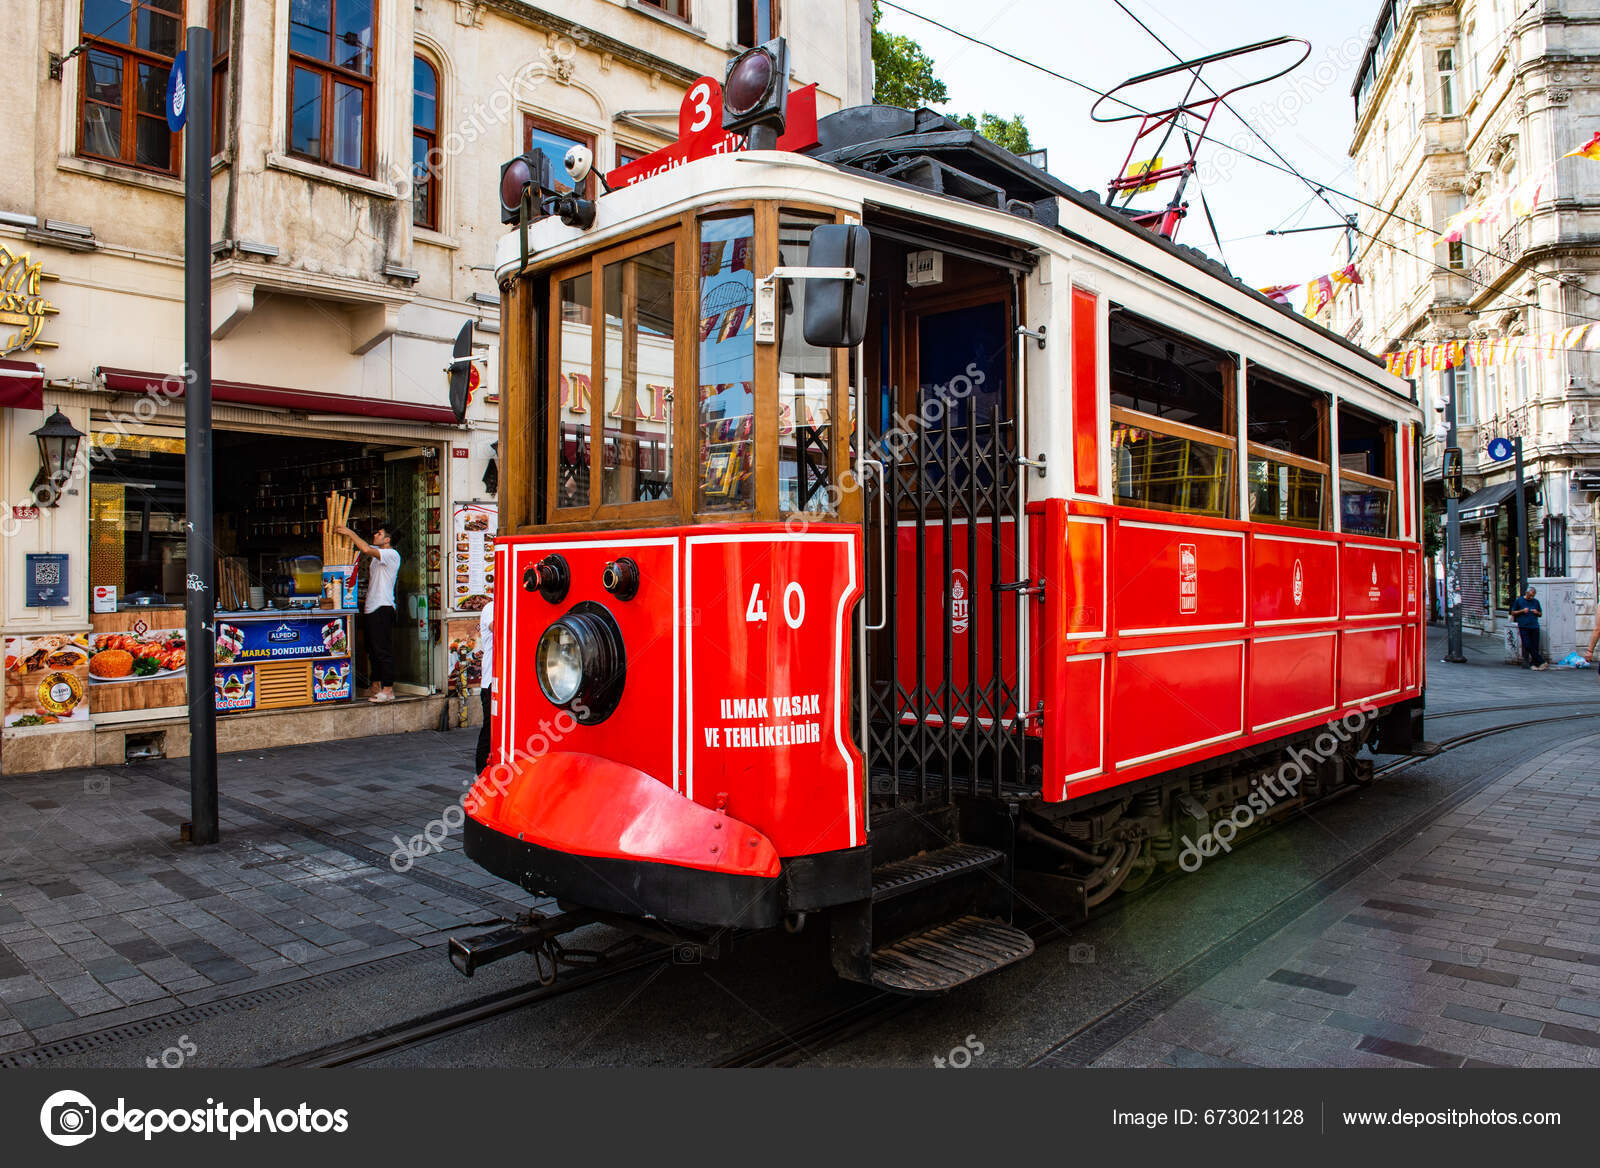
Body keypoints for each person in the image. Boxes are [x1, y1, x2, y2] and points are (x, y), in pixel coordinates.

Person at [336, 520, 401, 702]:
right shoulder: (379, 555)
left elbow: (365, 548)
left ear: (387, 539)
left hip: (383, 607)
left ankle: (388, 690)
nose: (375, 535)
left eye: (379, 533)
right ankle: (375, 685)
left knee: (383, 651)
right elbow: (364, 546)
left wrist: (349, 532)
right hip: (372, 607)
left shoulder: (391, 554)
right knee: (372, 650)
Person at [474, 600, 494, 776]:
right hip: (490, 683)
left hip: (507, 682)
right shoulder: (491, 608)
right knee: (489, 729)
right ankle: (481, 773)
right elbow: (498, 626)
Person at [1511, 584, 1548, 671]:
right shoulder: (1519, 601)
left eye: (1533, 596)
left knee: (1535, 646)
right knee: (1527, 644)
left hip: (1534, 626)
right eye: (1530, 595)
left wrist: (1536, 612)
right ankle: (1541, 661)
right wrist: (1522, 611)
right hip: (1524, 625)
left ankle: (1533, 664)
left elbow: (1540, 614)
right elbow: (1513, 612)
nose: (1531, 597)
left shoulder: (1536, 602)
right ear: (1526, 593)